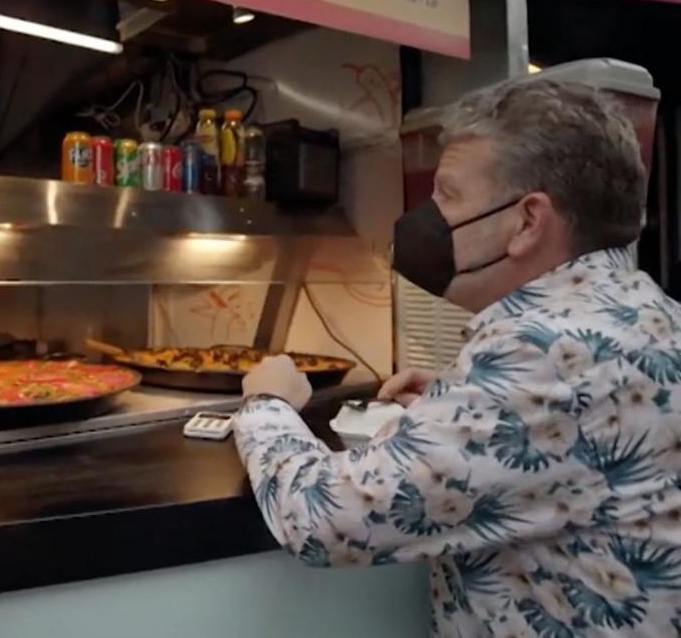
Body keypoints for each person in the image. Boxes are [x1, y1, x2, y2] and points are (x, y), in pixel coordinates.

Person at [235, 79, 681, 636]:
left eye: (446, 195)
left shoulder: (541, 353)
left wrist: (268, 402)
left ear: (527, 221)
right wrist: (459, 401)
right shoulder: (645, 311)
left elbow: (324, 519)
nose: (428, 216)